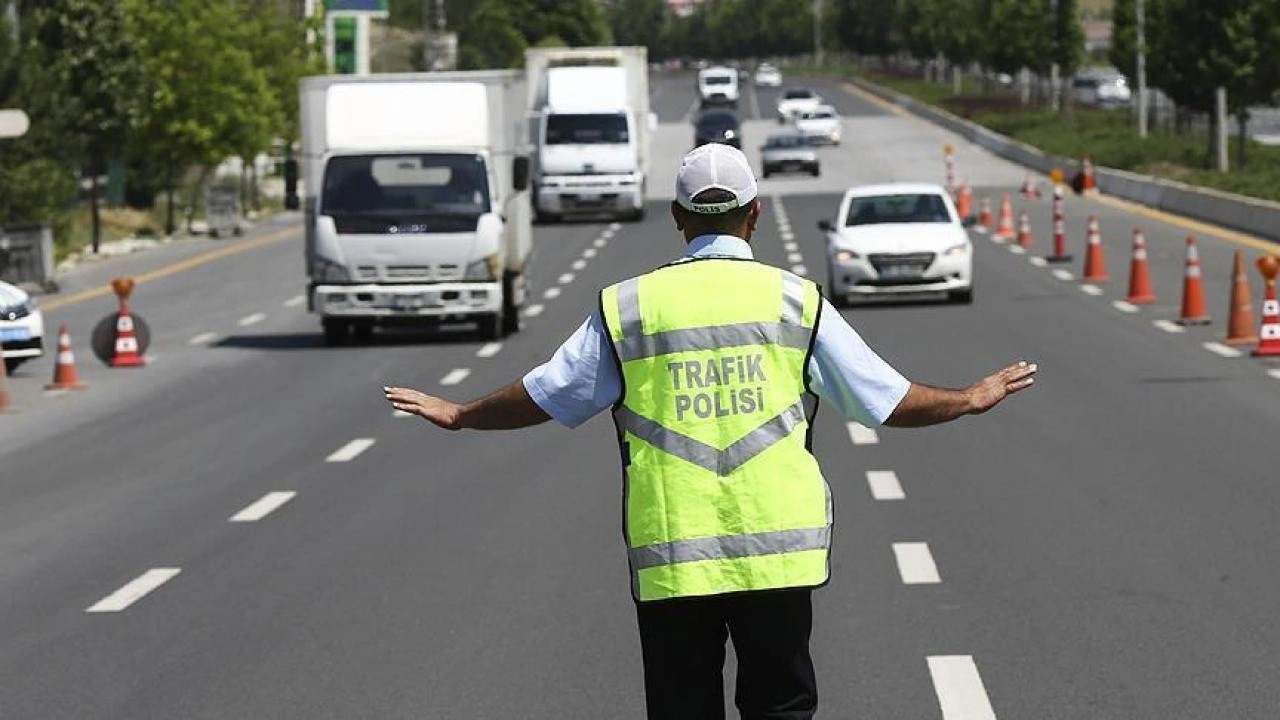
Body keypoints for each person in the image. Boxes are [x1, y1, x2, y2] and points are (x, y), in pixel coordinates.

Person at [384, 143, 1037, 720]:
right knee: (780, 707)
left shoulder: (631, 307)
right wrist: (969, 398)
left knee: (682, 707)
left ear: (678, 219)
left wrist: (462, 414)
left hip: (674, 556)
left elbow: (548, 394)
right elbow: (885, 400)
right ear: (753, 216)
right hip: (777, 556)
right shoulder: (795, 301)